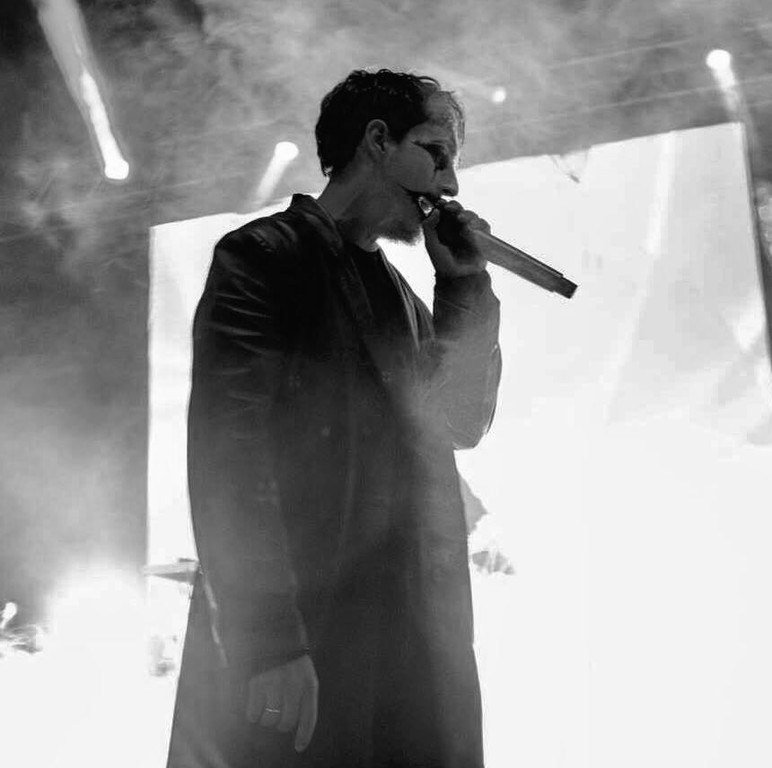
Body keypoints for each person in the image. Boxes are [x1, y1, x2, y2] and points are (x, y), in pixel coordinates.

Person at [166, 68, 502, 768]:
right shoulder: (266, 257)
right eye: (436, 154)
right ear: (378, 140)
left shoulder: (405, 301)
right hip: (310, 637)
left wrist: (464, 285)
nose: (449, 185)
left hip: (407, 643)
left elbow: (460, 422)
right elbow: (230, 454)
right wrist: (269, 641)